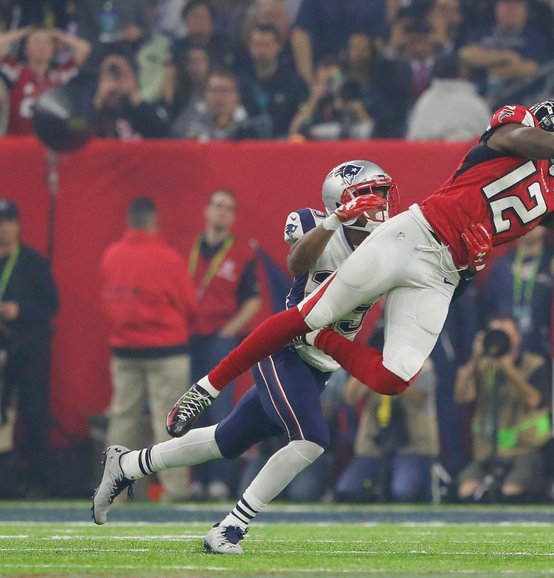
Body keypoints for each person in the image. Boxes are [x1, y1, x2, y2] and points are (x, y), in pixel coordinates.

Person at [168, 98, 554, 445]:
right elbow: (552, 143)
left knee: (394, 377)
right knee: (310, 309)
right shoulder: (512, 131)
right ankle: (207, 386)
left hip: (444, 274)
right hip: (415, 234)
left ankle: (316, 336)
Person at [93, 161, 399, 554]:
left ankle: (129, 465)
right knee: (310, 440)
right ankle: (231, 528)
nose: (381, 203)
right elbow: (297, 264)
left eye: (384, 193)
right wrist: (334, 221)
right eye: (370, 194)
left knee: (227, 439)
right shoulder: (313, 222)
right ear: (342, 200)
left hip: (322, 364)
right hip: (287, 348)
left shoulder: (389, 241)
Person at [99, 197, 196, 502]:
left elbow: (106, 302)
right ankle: (174, 490)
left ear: (130, 220)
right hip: (167, 350)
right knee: (167, 422)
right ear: (153, 221)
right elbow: (190, 306)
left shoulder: (111, 256)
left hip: (126, 351)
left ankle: (116, 492)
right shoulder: (168, 258)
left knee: (123, 421)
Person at [187, 189, 262, 500]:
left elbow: (253, 301)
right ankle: (194, 478)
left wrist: (228, 331)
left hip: (220, 341)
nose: (221, 213)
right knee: (190, 410)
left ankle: (219, 479)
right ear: (206, 210)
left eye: (227, 208)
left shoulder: (242, 255)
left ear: (233, 217)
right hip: (188, 339)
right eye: (216, 205)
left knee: (219, 409)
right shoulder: (186, 249)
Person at [335, 327, 439, 503]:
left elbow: (421, 399)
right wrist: (368, 366)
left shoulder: (421, 362)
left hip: (411, 446)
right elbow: (350, 398)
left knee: (403, 491)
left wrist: (395, 373)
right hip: (374, 446)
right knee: (347, 489)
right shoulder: (371, 364)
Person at [454, 315, 551, 502]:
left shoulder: (534, 364)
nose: (500, 338)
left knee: (510, 490)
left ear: (517, 337)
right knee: (466, 490)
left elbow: (534, 400)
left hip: (524, 450)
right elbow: (462, 397)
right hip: (487, 450)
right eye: (495, 333)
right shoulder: (482, 365)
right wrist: (474, 359)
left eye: (505, 333)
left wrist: (508, 370)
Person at [0, 199, 59, 495]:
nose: (4, 228)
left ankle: (39, 480)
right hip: (1, 351)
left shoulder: (33, 262)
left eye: (9, 221)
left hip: (29, 348)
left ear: (18, 226)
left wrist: (19, 310)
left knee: (34, 414)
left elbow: (51, 306)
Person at [485, 225, 554, 359]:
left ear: (546, 227)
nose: (530, 227)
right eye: (526, 219)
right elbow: (487, 309)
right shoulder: (501, 266)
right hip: (505, 352)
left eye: (537, 221)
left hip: (543, 354)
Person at [0, 26, 91, 135]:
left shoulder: (59, 75)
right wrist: (24, 32)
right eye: (36, 42)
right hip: (19, 141)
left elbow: (84, 48)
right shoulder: (17, 72)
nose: (42, 46)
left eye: (47, 43)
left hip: (50, 141)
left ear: (53, 49)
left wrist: (57, 34)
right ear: (27, 48)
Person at [239, 23, 308, 139]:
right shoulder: (241, 81)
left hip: (285, 146)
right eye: (257, 45)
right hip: (247, 145)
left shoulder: (293, 82)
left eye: (267, 45)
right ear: (249, 47)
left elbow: (304, 114)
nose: (261, 51)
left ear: (278, 46)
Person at [407, 52, 492, 142]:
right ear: (463, 72)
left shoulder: (424, 101)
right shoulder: (474, 104)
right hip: (461, 155)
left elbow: (412, 138)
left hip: (428, 154)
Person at [93, 54, 171, 140]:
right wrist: (99, 101)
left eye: (123, 75)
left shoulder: (146, 110)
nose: (117, 82)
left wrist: (133, 94)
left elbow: (163, 135)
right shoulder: (101, 112)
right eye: (110, 77)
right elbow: (84, 139)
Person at [171, 68, 257, 141]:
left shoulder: (249, 127)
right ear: (204, 95)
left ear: (237, 97)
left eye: (225, 91)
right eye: (214, 91)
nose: (219, 97)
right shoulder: (188, 121)